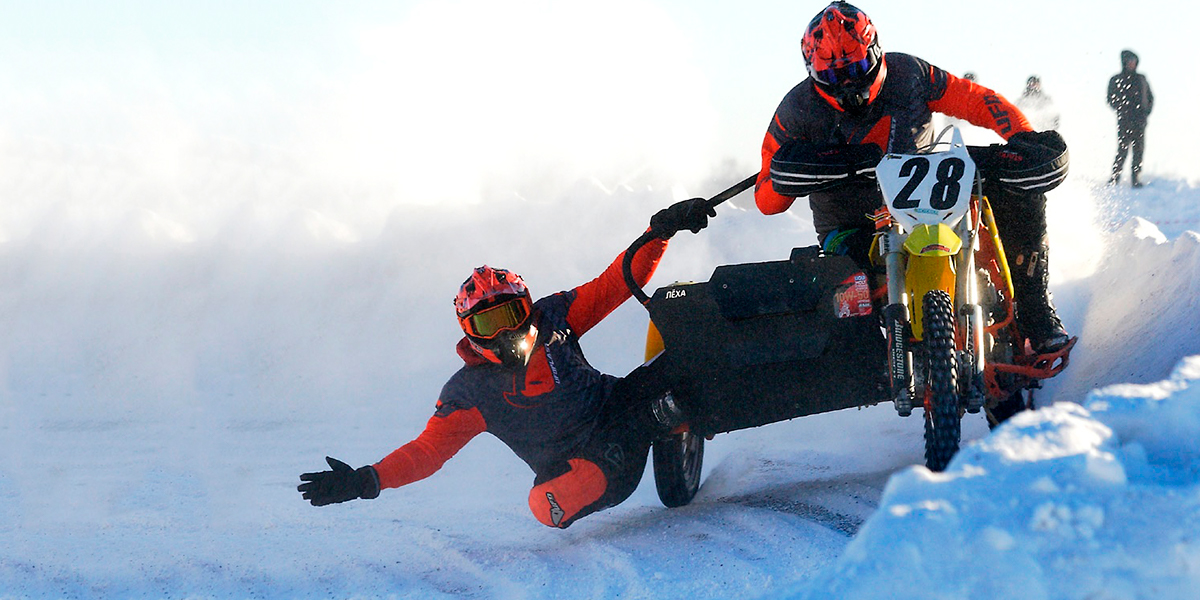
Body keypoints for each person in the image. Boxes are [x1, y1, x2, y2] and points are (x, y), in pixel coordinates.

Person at [298, 197, 715, 529]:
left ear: (527, 308)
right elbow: (427, 451)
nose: (504, 333)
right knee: (545, 506)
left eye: (510, 315)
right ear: (469, 331)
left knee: (686, 364)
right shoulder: (468, 393)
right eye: (487, 322)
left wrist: (661, 230)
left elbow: (617, 282)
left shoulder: (555, 316)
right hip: (593, 466)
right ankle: (667, 417)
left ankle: (672, 415)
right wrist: (366, 480)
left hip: (622, 406)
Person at [753, 1, 1070, 356]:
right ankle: (868, 361)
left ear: (876, 53)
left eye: (857, 68)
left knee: (1020, 195)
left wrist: (1021, 136)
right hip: (853, 226)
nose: (848, 85)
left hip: (934, 203)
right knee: (846, 301)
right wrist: (810, 169)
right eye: (833, 77)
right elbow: (766, 199)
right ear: (812, 72)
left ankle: (1035, 310)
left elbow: (976, 100)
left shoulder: (911, 73)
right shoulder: (796, 108)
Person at [1108, 49, 1153, 187]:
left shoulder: (1141, 79)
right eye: (1129, 61)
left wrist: (1145, 113)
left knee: (1139, 150)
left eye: (1134, 61)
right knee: (1122, 149)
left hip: (1140, 122)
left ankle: (1136, 178)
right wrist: (1122, 109)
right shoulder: (1117, 79)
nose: (1132, 64)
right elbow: (1111, 98)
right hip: (1125, 121)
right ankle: (1115, 177)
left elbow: (1150, 98)